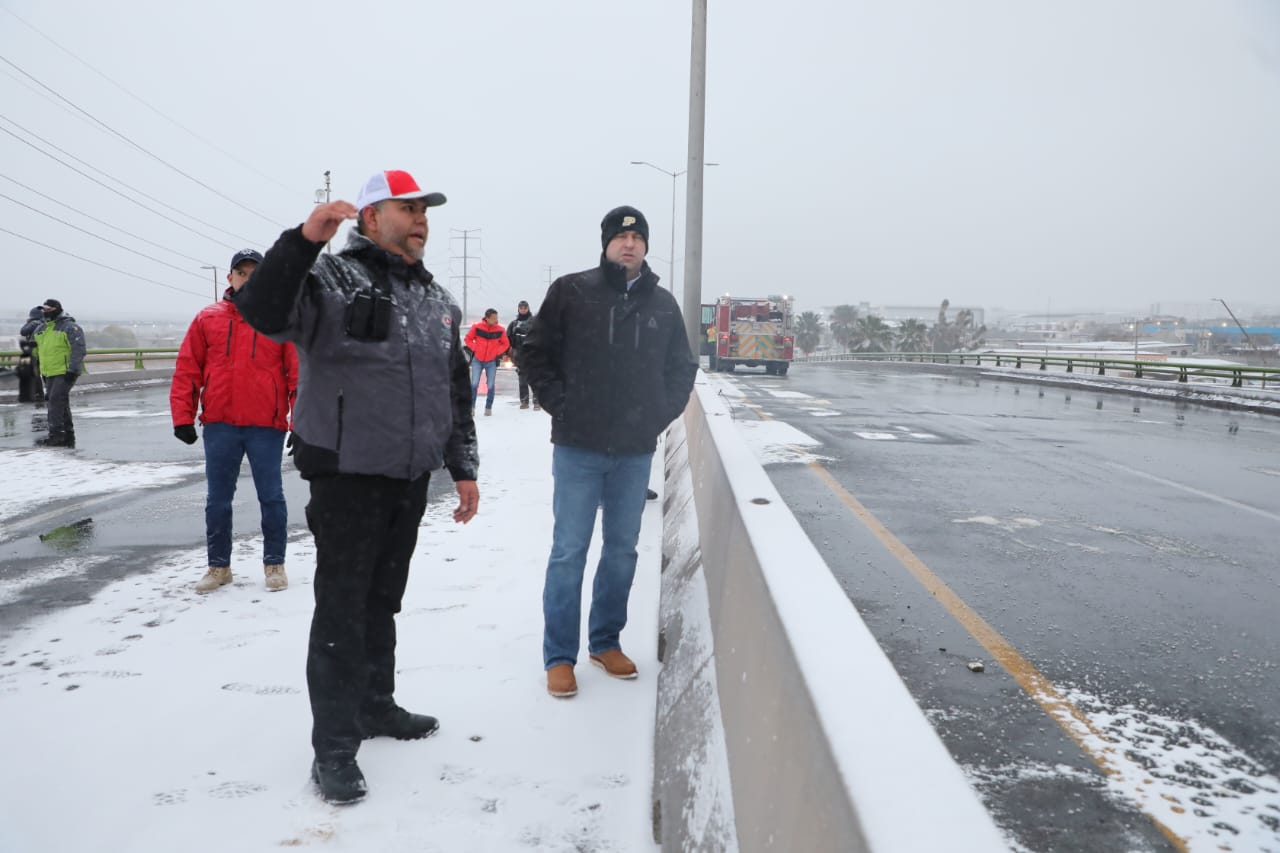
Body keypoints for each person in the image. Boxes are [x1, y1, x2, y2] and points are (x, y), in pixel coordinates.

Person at [236, 169, 479, 806]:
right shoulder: (330, 280)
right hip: (346, 474)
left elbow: (453, 391)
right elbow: (259, 310)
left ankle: (376, 707)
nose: (422, 218)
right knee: (342, 611)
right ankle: (334, 748)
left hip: (409, 477)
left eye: (427, 210)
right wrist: (303, 239)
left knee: (382, 602)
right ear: (371, 218)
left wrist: (464, 469)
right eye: (409, 208)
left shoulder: (438, 301)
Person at [522, 205, 697, 699]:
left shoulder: (662, 304)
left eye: (638, 237)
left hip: (634, 452)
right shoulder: (571, 292)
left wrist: (655, 416)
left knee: (621, 551)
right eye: (621, 237)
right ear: (605, 243)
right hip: (578, 448)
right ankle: (559, 656)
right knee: (569, 552)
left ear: (646, 245)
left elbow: (681, 368)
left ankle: (605, 641)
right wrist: (560, 405)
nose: (629, 243)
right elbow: (535, 352)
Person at [170, 249, 300, 595]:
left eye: (254, 272)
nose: (247, 278)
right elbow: (188, 369)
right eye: (241, 272)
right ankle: (219, 567)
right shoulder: (207, 319)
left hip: (266, 426)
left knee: (272, 497)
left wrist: (301, 421)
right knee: (218, 500)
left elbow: (298, 376)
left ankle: (274, 563)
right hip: (220, 425)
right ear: (230, 278)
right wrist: (183, 416)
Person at [29, 299, 85, 448]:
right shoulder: (41, 329)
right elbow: (33, 347)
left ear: (57, 309)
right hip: (48, 372)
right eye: (44, 310)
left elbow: (78, 349)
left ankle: (56, 436)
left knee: (54, 401)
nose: (45, 312)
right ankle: (67, 433)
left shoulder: (70, 327)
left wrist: (73, 370)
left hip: (65, 371)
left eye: (49, 309)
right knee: (60, 401)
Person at [464, 308, 509, 416]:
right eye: (493, 318)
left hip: (491, 361)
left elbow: (505, 344)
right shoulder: (477, 327)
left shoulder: (500, 330)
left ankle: (488, 408)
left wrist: (496, 352)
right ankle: (472, 408)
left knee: (490, 385)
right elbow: (467, 339)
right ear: (487, 318)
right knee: (474, 384)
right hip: (477, 360)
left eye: (496, 318)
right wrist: (475, 348)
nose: (496, 320)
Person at [506, 300, 538, 410]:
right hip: (519, 355)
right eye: (521, 308)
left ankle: (537, 402)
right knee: (522, 379)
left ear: (528, 308)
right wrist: (508, 353)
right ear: (518, 309)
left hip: (533, 355)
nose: (523, 309)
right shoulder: (513, 324)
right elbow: (507, 340)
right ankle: (524, 402)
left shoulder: (535, 322)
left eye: (525, 308)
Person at [16, 307, 46, 404]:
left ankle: (37, 395)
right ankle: (44, 394)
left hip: (32, 352)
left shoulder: (34, 323)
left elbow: (23, 331)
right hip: (43, 352)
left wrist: (30, 322)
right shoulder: (46, 323)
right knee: (44, 374)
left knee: (33, 374)